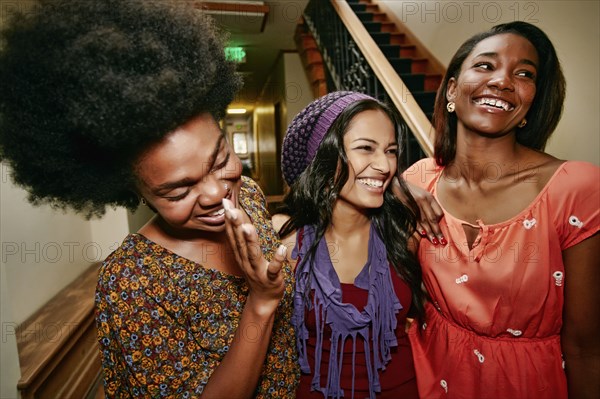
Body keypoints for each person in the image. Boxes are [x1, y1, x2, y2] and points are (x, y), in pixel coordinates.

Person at [0, 1, 299, 397]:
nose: (216, 192)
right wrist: (261, 303)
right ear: (133, 191)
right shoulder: (133, 283)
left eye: (221, 158)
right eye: (179, 189)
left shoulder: (249, 195)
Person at [402, 21, 600, 399]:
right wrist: (390, 188)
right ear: (452, 89)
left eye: (524, 73)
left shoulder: (575, 189)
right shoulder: (419, 180)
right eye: (485, 65)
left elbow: (586, 348)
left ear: (531, 104)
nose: (503, 81)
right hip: (427, 379)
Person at [273, 91, 423, 398]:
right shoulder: (287, 240)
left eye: (391, 150)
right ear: (325, 156)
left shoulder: (404, 233)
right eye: (366, 148)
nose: (384, 165)